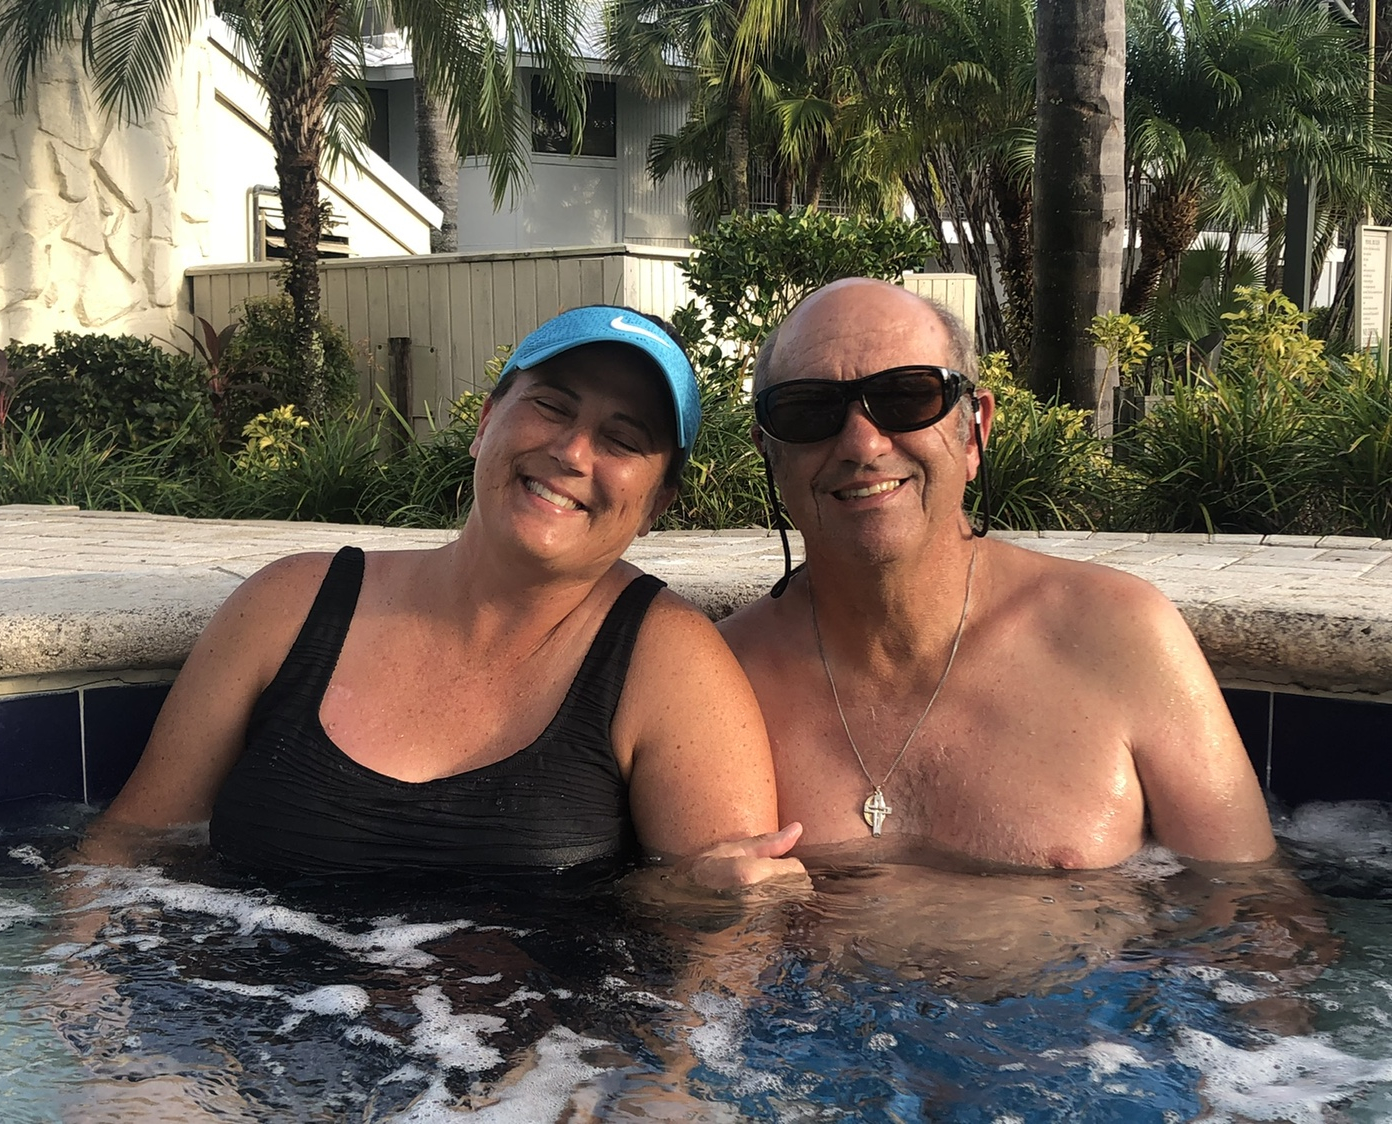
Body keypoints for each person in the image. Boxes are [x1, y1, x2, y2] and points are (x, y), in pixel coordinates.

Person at [96, 304, 801, 884]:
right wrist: (84, 1002)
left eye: (622, 440)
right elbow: (127, 848)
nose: (572, 452)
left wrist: (709, 898)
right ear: (486, 421)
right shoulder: (287, 606)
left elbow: (719, 950)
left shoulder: (673, 669)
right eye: (551, 406)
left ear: (658, 504)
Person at [719, 277, 1277, 871]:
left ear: (974, 432)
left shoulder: (1119, 635)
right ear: (768, 452)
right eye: (809, 410)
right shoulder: (719, 679)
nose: (862, 444)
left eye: (907, 396)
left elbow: (1254, 909)